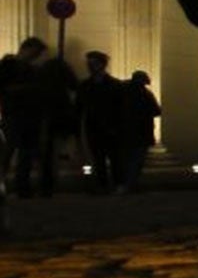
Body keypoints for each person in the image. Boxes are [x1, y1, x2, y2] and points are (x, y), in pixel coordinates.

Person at [0, 36, 76, 197]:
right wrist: (30, 89)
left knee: (25, 153)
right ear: (27, 49)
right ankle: (19, 187)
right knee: (12, 151)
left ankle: (23, 188)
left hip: (29, 116)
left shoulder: (32, 69)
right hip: (15, 115)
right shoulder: (10, 66)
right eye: (35, 53)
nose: (37, 57)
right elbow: (7, 89)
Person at [77, 50, 125, 192]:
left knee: (115, 158)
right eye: (89, 64)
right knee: (98, 159)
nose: (90, 67)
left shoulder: (115, 85)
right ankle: (103, 185)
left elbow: (120, 108)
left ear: (103, 65)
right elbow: (79, 107)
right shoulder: (85, 85)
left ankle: (117, 184)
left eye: (94, 63)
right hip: (94, 127)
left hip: (112, 126)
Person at [118, 71, 160, 192]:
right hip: (141, 132)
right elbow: (156, 111)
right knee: (137, 160)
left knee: (127, 160)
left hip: (125, 131)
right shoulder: (145, 94)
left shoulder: (122, 91)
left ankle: (126, 183)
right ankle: (131, 183)